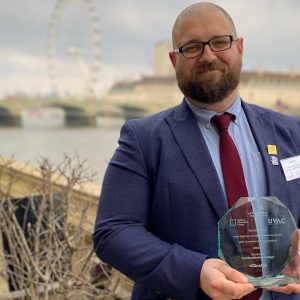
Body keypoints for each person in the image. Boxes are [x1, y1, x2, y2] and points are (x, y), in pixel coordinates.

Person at [93, 2, 300, 299]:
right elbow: (112, 232)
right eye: (191, 48)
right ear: (173, 60)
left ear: (239, 47)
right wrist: (195, 271)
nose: (208, 55)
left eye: (219, 42)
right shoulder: (144, 139)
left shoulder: (290, 131)